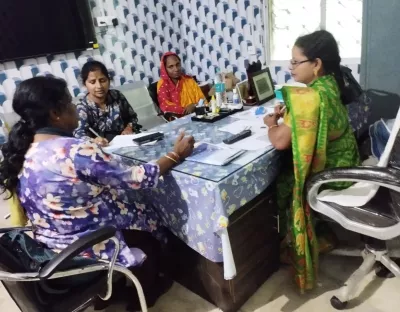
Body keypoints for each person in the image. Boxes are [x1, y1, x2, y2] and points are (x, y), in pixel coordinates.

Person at [0, 76, 195, 309]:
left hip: (51, 245)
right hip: (80, 252)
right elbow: (136, 179)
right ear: (55, 113)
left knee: (129, 207)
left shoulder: (25, 149)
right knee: (150, 221)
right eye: (70, 103)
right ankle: (148, 292)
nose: (76, 108)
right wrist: (175, 155)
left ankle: (111, 292)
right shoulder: (76, 150)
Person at [263, 30, 360, 292]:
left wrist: (272, 124)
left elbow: (280, 141)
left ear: (316, 64)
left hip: (333, 175)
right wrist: (291, 117)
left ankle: (294, 245)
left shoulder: (310, 98)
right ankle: (322, 235)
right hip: (348, 162)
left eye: (296, 62)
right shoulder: (331, 85)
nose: (290, 67)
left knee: (282, 181)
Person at [74, 61, 140, 145]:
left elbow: (132, 117)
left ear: (109, 80)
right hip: (102, 149)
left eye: (102, 80)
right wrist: (94, 141)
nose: (99, 86)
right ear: (85, 84)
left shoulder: (117, 96)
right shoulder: (82, 107)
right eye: (92, 82)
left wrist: (129, 128)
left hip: (125, 143)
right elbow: (79, 134)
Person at [157, 52, 205, 118]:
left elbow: (202, 99)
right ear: (165, 69)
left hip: (198, 116)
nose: (176, 69)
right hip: (177, 121)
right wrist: (186, 110)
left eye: (178, 65)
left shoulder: (189, 80)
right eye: (171, 67)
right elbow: (165, 105)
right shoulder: (163, 84)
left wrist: (194, 105)